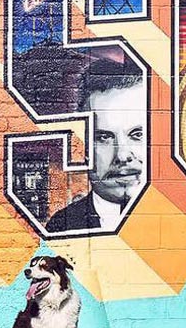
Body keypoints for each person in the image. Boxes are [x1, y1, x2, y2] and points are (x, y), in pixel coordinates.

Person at [45, 60, 146, 233]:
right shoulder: (61, 227)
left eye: (137, 135)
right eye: (104, 137)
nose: (122, 155)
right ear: (84, 147)